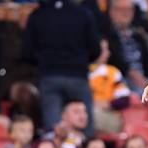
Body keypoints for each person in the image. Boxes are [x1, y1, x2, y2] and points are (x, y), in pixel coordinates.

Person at [22, 0, 101, 137]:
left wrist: (44, 63)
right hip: (77, 76)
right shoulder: (82, 14)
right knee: (85, 128)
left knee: (53, 131)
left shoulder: (38, 15)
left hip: (49, 77)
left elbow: (27, 52)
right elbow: (96, 50)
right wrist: (80, 61)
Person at [106, 0, 148, 93]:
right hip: (119, 81)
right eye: (121, 9)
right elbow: (113, 60)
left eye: (129, 9)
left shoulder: (138, 35)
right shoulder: (105, 34)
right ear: (111, 12)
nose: (126, 13)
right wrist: (131, 73)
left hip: (143, 80)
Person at [89, 39, 131, 134]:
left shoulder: (112, 72)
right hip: (86, 114)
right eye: (104, 49)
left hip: (109, 115)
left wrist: (107, 104)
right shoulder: (81, 72)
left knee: (92, 114)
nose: (108, 53)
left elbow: (125, 100)